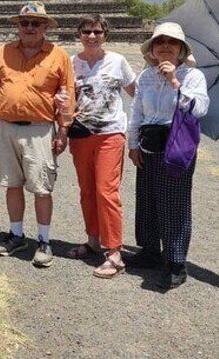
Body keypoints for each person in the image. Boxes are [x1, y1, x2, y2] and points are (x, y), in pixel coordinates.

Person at [0, 1, 74, 268]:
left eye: (35, 23)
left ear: (45, 26)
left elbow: (68, 96)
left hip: (40, 130)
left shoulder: (59, 56)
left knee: (41, 187)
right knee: (12, 183)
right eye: (24, 23)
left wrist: (63, 129)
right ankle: (17, 233)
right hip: (7, 126)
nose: (30, 27)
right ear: (18, 26)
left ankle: (44, 239)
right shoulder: (3, 52)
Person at [127, 22, 209, 289]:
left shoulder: (193, 76)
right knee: (148, 198)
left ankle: (175, 261)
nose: (165, 46)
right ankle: (151, 251)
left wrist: (175, 82)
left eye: (171, 42)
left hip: (177, 144)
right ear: (152, 48)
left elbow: (199, 109)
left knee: (174, 203)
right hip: (149, 142)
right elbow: (137, 111)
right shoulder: (146, 76)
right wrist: (133, 144)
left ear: (181, 49)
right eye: (159, 42)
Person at [61, 15, 136, 279]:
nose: (92, 36)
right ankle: (93, 240)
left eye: (97, 31)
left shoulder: (118, 61)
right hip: (81, 134)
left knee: (107, 191)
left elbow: (135, 93)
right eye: (86, 31)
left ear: (106, 34)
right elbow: (66, 99)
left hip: (110, 134)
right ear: (78, 34)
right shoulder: (70, 63)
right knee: (87, 191)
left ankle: (115, 252)